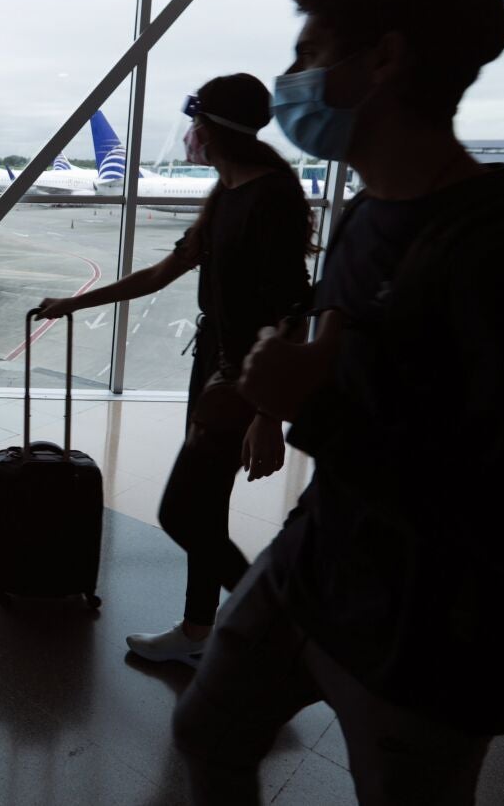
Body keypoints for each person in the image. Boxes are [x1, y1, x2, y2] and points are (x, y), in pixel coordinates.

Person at [170, 0, 504, 804]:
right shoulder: (368, 216)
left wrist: (304, 407)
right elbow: (345, 370)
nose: (292, 78)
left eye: (310, 52)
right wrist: (266, 399)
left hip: (432, 632)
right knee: (207, 732)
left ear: (385, 59)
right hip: (320, 565)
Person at [37, 73, 315, 664]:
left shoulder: (268, 200)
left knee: (183, 512)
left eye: (194, 123)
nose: (188, 135)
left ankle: (275, 627)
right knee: (204, 509)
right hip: (215, 365)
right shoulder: (227, 194)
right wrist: (73, 303)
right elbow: (160, 274)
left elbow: (294, 310)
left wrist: (267, 414)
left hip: (246, 376)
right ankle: (199, 631)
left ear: (209, 130)